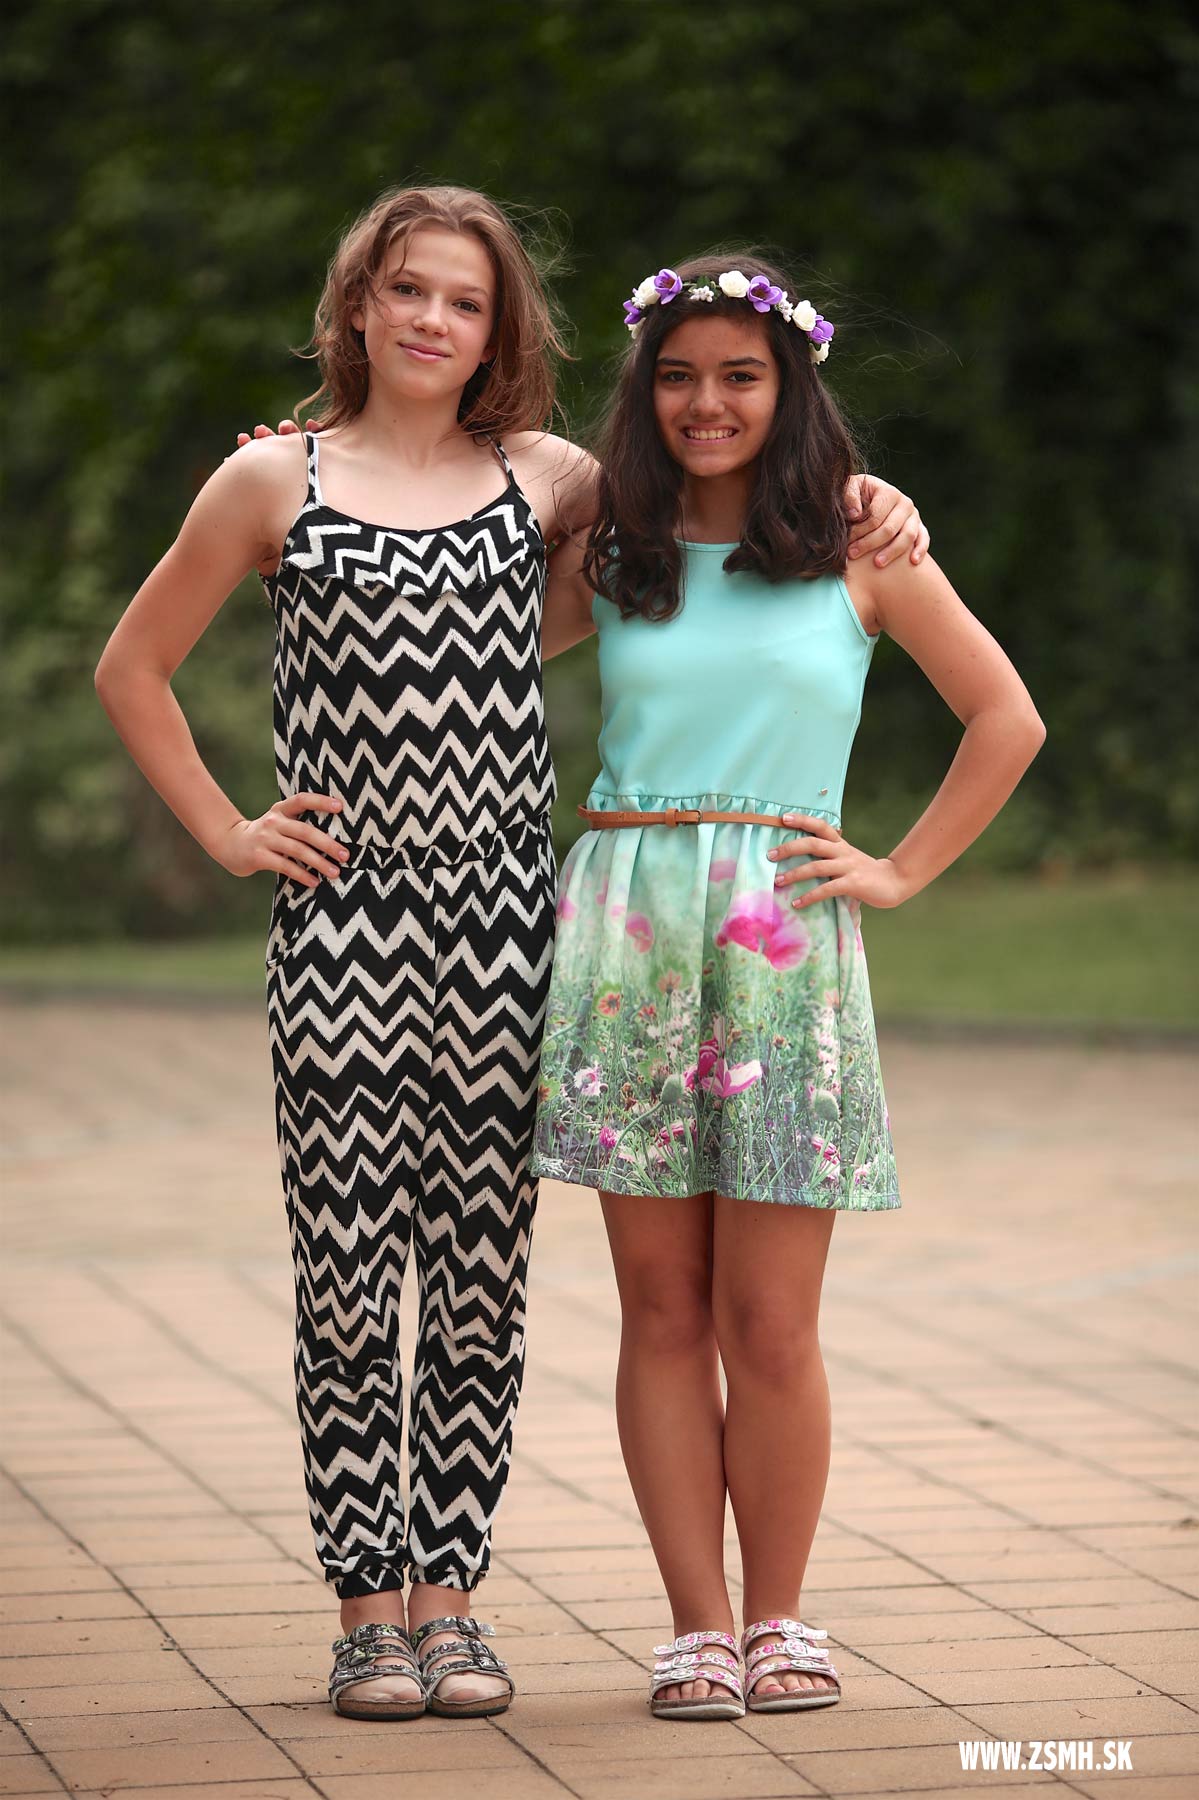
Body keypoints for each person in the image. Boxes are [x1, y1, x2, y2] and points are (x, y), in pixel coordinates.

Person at [96, 187, 927, 1724]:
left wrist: (871, 493)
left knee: (481, 1279)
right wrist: (228, 829)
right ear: (358, 302)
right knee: (352, 1275)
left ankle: (454, 1606)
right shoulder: (272, 480)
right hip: (345, 931)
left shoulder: (552, 481)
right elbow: (131, 663)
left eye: (465, 300)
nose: (432, 319)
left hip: (509, 933)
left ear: (501, 331)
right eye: (407, 289)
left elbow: (728, 476)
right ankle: (368, 1613)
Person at [532, 254, 1045, 1720]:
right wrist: (301, 484)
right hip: (630, 941)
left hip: (780, 944)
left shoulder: (860, 546)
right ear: (646, 391)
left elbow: (1006, 716)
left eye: (740, 376)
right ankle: (694, 1627)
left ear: (789, 387)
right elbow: (449, 609)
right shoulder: (609, 549)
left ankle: (780, 1619)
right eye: (678, 376)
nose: (707, 402)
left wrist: (899, 869)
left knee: (768, 1320)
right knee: (659, 1308)